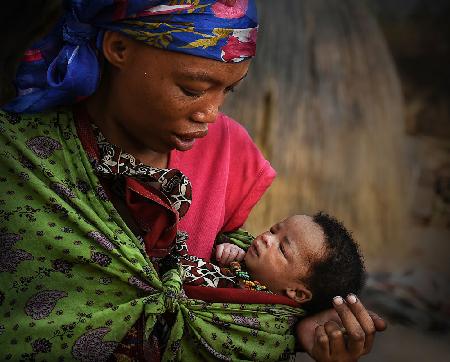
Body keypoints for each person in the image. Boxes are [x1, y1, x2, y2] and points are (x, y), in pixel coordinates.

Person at [0, 0, 385, 361]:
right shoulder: (24, 157)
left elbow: (230, 262)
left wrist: (296, 321)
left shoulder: (231, 153)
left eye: (229, 90)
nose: (211, 114)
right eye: (193, 90)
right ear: (119, 48)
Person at [182, 212, 366, 314]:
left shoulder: (267, 319)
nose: (267, 239)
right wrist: (231, 252)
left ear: (298, 293)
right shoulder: (244, 259)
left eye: (282, 249)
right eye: (273, 230)